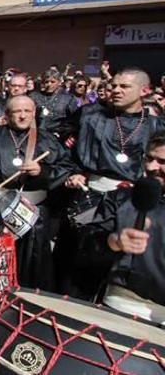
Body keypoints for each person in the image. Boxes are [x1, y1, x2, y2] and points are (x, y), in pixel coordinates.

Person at [56, 68, 165, 300]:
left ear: (144, 90)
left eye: (124, 86)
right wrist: (75, 172)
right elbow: (64, 150)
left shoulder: (156, 126)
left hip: (134, 202)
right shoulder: (90, 116)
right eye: (114, 85)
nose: (115, 90)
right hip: (90, 197)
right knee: (77, 266)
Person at [0, 95, 71, 290]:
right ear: (7, 114)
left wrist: (42, 172)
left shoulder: (48, 140)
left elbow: (67, 166)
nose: (22, 116)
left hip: (35, 214)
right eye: (17, 111)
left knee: (33, 266)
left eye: (27, 111)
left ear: (34, 113)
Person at [87, 131, 165, 324]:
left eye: (162, 161)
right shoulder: (122, 198)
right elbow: (88, 245)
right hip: (119, 305)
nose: (151, 167)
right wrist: (114, 242)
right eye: (149, 158)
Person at [30, 70, 79, 141]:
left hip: (59, 138)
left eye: (52, 82)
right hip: (38, 137)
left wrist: (65, 134)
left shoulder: (68, 99)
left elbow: (74, 121)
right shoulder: (35, 97)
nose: (49, 84)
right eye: (46, 82)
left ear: (59, 82)